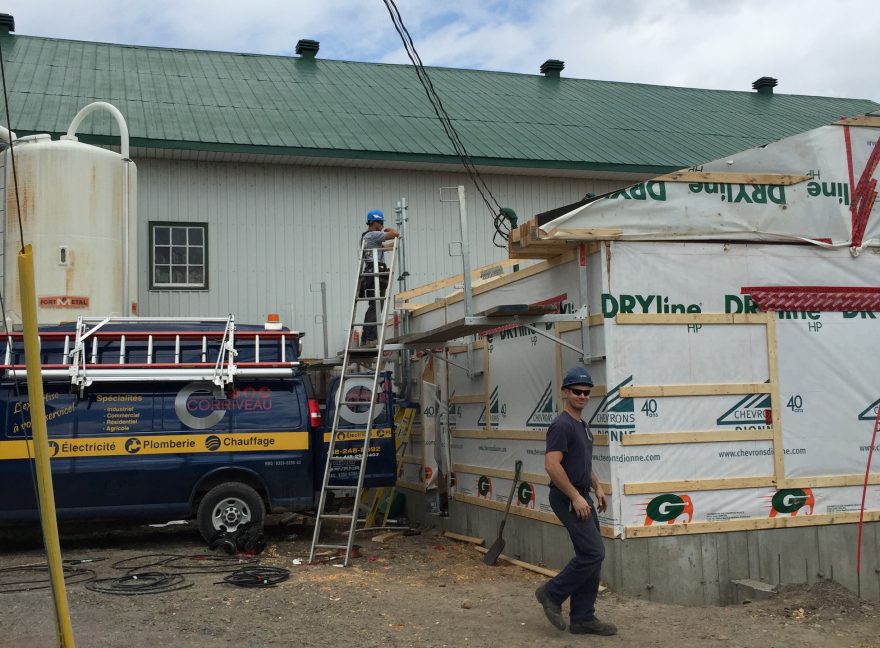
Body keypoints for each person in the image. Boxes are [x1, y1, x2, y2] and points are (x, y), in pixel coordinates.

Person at [535, 366, 617, 636]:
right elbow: (551, 465)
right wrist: (575, 496)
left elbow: (581, 463)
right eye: (577, 391)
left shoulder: (581, 425)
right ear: (565, 392)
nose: (582, 396)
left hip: (581, 494)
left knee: (591, 556)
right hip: (568, 497)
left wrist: (597, 486)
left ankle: (583, 618)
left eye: (586, 392)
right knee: (594, 552)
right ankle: (551, 593)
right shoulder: (561, 424)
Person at [360, 209, 399, 345]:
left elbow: (383, 247)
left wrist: (393, 245)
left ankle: (366, 337)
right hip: (375, 272)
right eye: (381, 222)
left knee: (374, 305)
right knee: (376, 306)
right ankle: (370, 338)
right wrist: (390, 230)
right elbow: (394, 233)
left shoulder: (369, 237)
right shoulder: (373, 234)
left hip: (372, 272)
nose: (382, 225)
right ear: (375, 223)